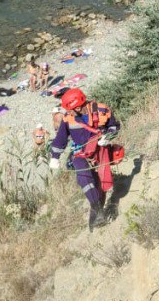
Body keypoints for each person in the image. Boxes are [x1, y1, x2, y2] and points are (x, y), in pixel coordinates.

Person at [49, 89, 121, 228]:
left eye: (69, 109)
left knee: (99, 183)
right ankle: (98, 210)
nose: (67, 112)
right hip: (80, 152)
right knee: (83, 176)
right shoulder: (68, 119)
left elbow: (114, 126)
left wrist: (108, 137)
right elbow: (60, 139)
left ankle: (97, 216)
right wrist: (55, 157)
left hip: (100, 150)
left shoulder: (102, 110)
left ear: (77, 107)